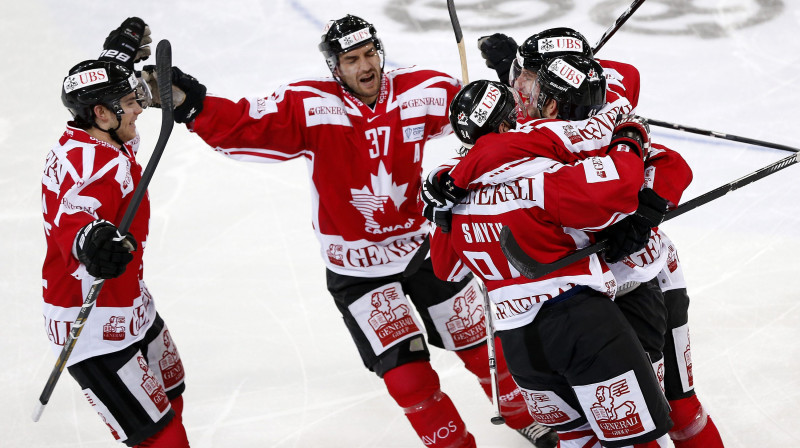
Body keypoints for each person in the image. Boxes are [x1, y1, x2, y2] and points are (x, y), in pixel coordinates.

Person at [141, 14, 557, 448]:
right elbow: (248, 124)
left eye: (370, 53)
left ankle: (526, 418)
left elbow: (491, 114)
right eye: (352, 59)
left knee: (483, 346)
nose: (366, 66)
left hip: (423, 248)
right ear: (335, 68)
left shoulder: (423, 90)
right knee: (408, 378)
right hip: (357, 268)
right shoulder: (310, 105)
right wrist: (192, 103)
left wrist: (509, 76)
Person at [476, 28, 724, 447]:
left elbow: (670, 163)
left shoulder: (603, 118)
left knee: (676, 410)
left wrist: (644, 215)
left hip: (640, 281)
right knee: (607, 429)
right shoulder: (529, 120)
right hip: (580, 299)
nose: (518, 88)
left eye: (527, 77)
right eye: (519, 75)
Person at [424, 68, 673, 447]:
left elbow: (447, 269)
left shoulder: (451, 201)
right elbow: (618, 190)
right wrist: (630, 138)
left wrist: (444, 208)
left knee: (576, 442)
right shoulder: (534, 174)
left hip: (520, 347)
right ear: (505, 125)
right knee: (641, 443)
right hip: (579, 326)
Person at [41, 18, 190, 447]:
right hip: (92, 323)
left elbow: (97, 90)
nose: (140, 108)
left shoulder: (99, 136)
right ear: (102, 113)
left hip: (129, 301)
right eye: (130, 101)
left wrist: (115, 59)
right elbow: (72, 216)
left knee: (172, 393)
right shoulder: (88, 165)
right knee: (160, 438)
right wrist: (91, 241)